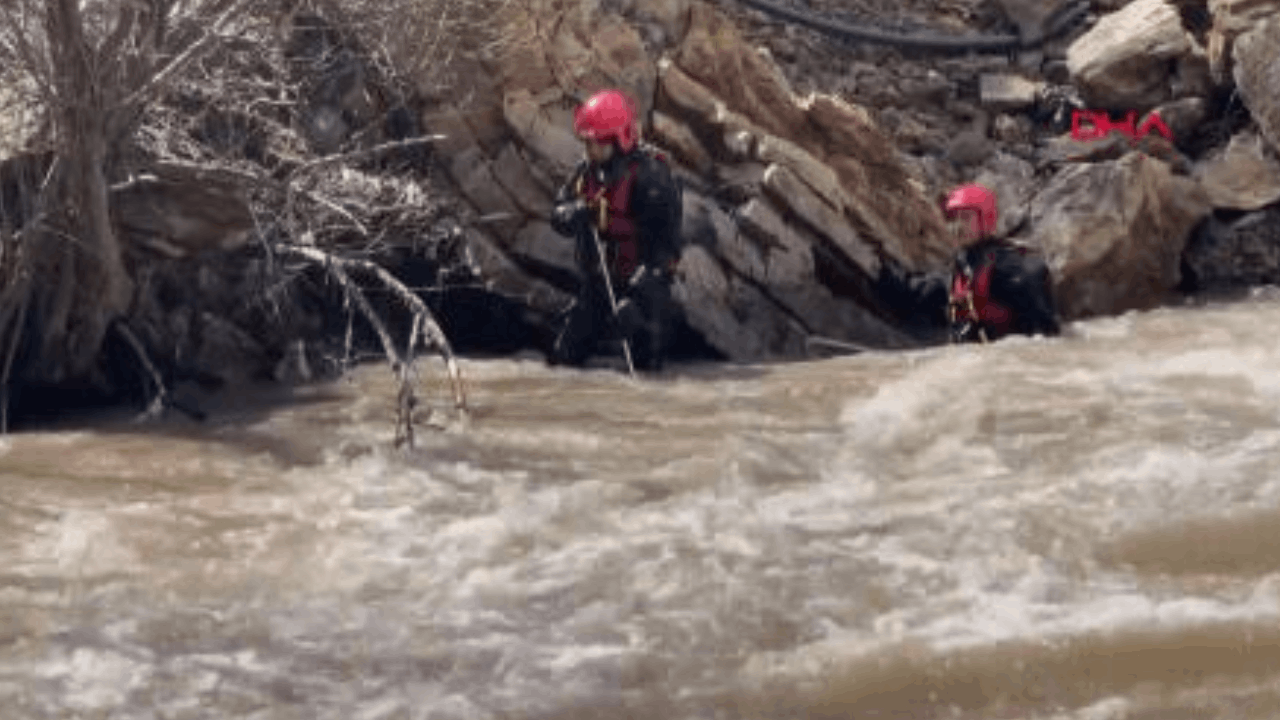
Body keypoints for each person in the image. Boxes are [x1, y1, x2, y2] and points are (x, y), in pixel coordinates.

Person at [548, 89, 683, 371]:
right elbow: (557, 214)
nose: (589, 150)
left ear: (618, 139)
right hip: (598, 284)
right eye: (586, 142)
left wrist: (637, 301)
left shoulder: (651, 177)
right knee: (563, 360)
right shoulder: (586, 171)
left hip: (644, 287)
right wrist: (572, 213)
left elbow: (666, 249)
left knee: (645, 366)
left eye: (595, 143)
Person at [875, 183, 1060, 344]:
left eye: (965, 218)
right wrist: (879, 266)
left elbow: (1043, 339)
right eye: (953, 219)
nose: (957, 226)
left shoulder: (1015, 269)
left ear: (985, 219)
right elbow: (922, 291)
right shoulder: (963, 267)